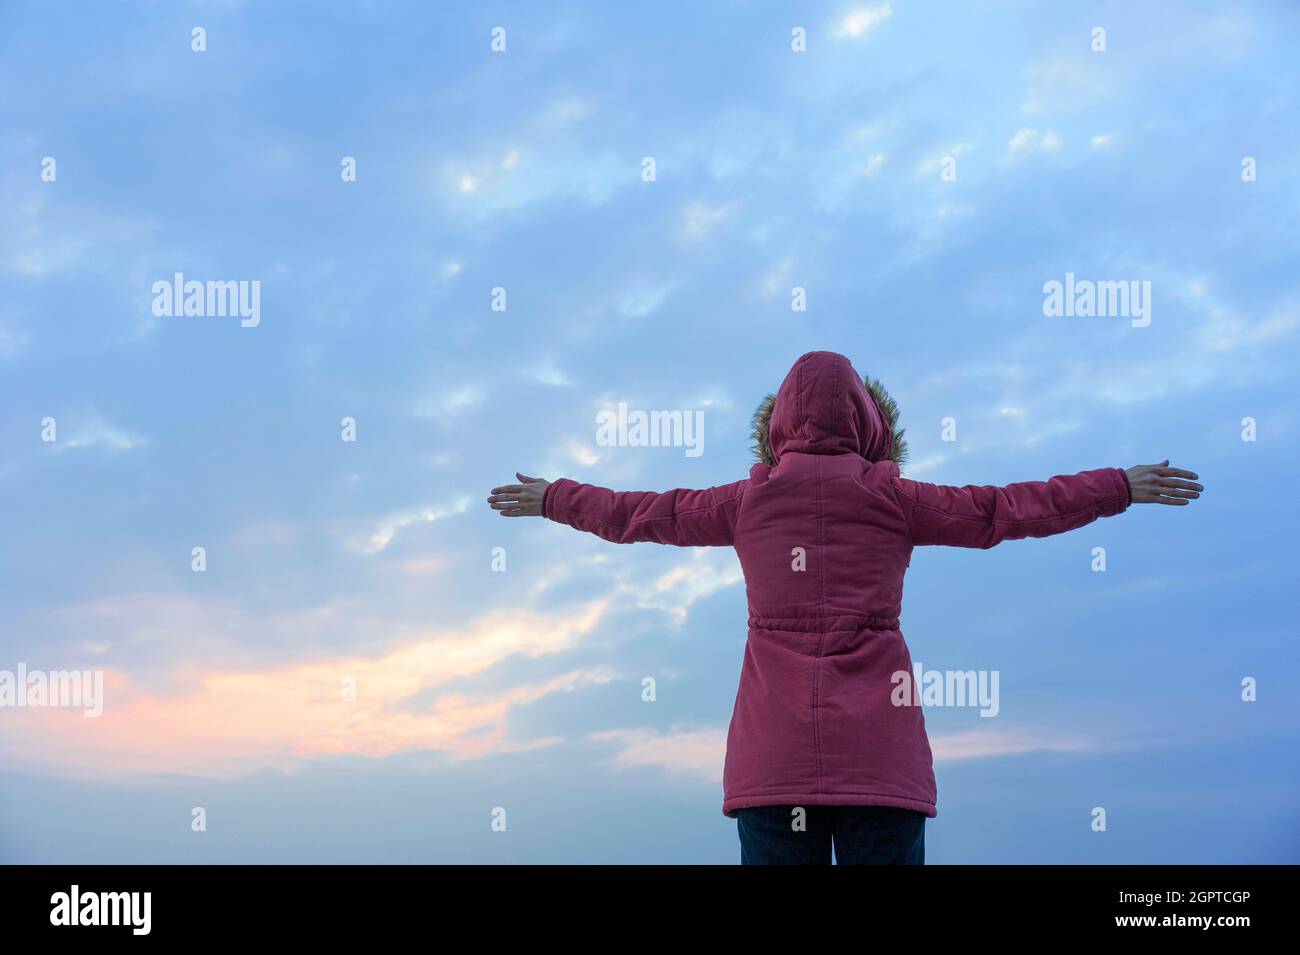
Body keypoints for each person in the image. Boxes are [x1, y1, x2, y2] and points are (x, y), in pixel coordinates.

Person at [487, 351, 1201, 864]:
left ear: (776, 425)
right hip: (879, 767)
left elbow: (641, 512)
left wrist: (555, 496)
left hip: (773, 767)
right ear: (869, 421)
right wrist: (1118, 485)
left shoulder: (745, 502)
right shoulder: (893, 496)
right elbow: (1002, 510)